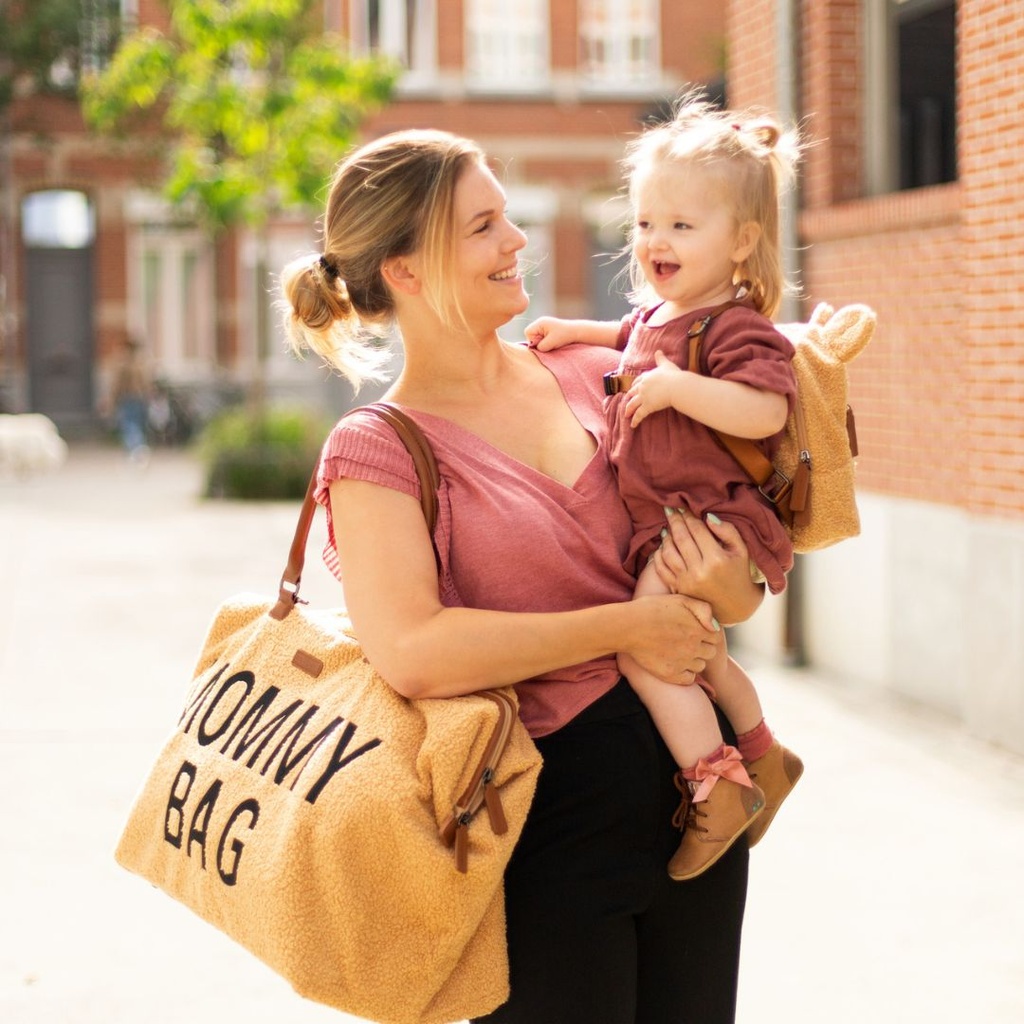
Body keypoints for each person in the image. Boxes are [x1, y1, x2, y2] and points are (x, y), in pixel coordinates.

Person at [280, 128, 764, 1024]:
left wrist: (731, 589)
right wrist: (625, 628)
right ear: (406, 270)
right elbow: (414, 652)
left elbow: (732, 560)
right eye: (484, 226)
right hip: (536, 831)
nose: (517, 242)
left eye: (507, 218)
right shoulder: (378, 450)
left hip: (701, 809)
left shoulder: (603, 374)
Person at [525, 97, 805, 881]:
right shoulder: (664, 316)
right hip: (676, 524)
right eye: (647, 223)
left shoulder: (738, 328)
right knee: (696, 651)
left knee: (646, 648)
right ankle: (763, 754)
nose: (656, 241)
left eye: (682, 226)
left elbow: (766, 410)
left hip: (713, 522)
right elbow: (631, 336)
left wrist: (680, 389)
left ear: (742, 241)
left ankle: (717, 788)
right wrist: (578, 332)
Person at [108, 336, 151, 463]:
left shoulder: (124, 363)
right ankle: (138, 448)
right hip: (139, 398)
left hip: (127, 398)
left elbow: (117, 384)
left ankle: (136, 448)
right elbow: (146, 383)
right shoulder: (141, 363)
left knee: (129, 425)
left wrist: (113, 400)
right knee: (136, 424)